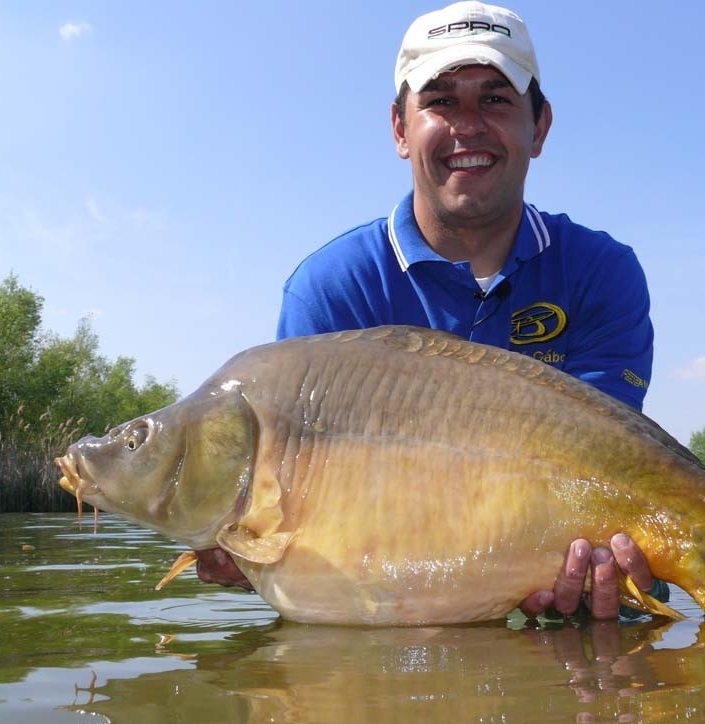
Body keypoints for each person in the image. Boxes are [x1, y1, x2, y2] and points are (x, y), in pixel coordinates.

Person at [200, 1, 668, 621]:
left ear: (540, 126)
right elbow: (299, 509)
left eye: (497, 100)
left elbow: (607, 458)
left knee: (630, 600)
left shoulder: (601, 272)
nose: (468, 126)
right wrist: (256, 548)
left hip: (566, 561)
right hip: (387, 593)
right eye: (440, 101)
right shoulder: (329, 291)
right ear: (400, 128)